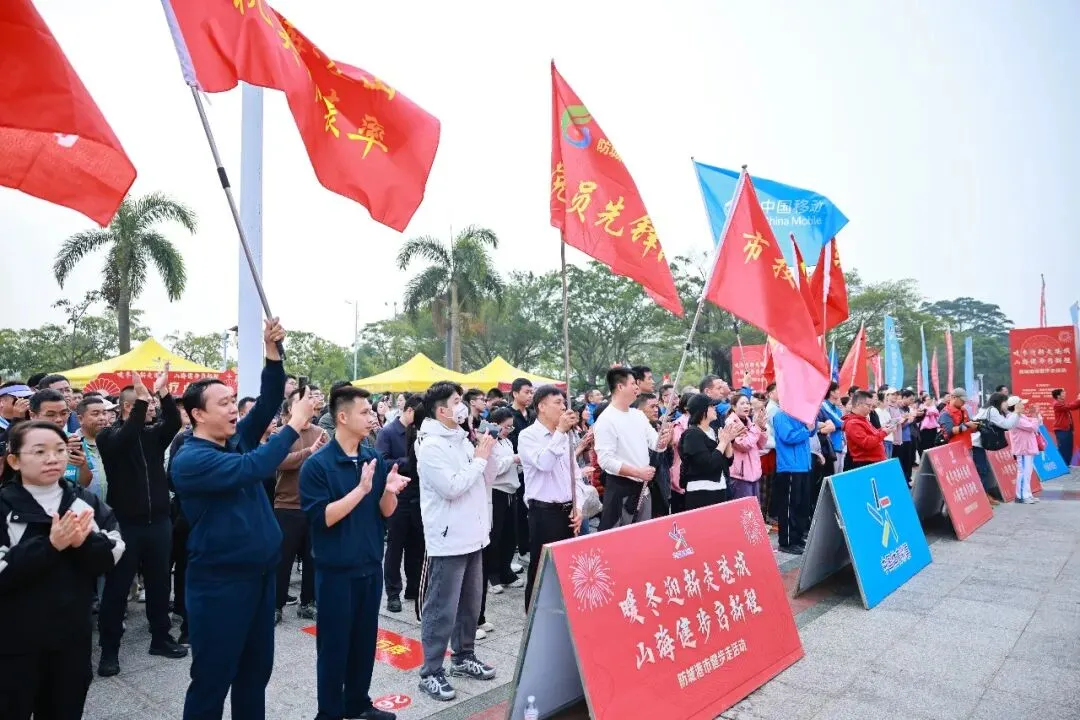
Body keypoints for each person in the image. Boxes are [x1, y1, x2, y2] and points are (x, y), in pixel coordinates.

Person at [171, 319, 316, 720]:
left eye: (233, 400)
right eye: (223, 403)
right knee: (212, 679)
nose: (233, 408)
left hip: (260, 577)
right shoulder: (191, 459)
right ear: (197, 414)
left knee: (255, 675)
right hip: (220, 584)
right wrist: (295, 425)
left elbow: (267, 401)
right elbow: (253, 467)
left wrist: (272, 354)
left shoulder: (237, 439)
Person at [0, 421, 125, 720]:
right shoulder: (5, 507)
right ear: (14, 460)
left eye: (59, 450)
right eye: (39, 451)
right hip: (13, 643)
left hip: (71, 638)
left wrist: (83, 543)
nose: (52, 458)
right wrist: (50, 545)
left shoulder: (84, 501)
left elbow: (114, 551)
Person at [300, 385, 410, 720]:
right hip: (336, 572)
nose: (371, 417)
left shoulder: (372, 458)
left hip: (370, 566)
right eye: (364, 412)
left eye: (371, 411)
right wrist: (361, 489)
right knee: (334, 647)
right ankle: (329, 712)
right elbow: (323, 517)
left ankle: (358, 704)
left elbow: (385, 511)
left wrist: (388, 491)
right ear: (342, 417)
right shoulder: (317, 465)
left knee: (364, 643)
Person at [95, 369, 185, 676]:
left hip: (158, 523)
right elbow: (125, 438)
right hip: (125, 525)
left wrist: (163, 393)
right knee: (117, 590)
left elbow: (173, 422)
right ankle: (109, 650)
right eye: (144, 405)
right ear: (127, 408)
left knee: (160, 584)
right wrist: (142, 403)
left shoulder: (153, 435)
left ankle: (161, 637)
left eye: (151, 405)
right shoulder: (109, 437)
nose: (151, 410)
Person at [415, 381, 497, 702]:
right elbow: (451, 487)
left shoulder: (462, 438)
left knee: (470, 604)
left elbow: (483, 479)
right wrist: (479, 459)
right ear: (442, 411)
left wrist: (486, 453)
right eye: (456, 401)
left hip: (473, 534)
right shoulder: (431, 445)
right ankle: (431, 671)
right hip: (448, 539)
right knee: (441, 608)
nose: (462, 406)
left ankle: (463, 656)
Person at [517, 386, 583, 609]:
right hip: (544, 512)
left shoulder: (565, 436)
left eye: (564, 402)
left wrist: (578, 506)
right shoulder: (528, 436)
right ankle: (534, 619)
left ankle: (563, 615)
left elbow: (575, 475)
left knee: (568, 569)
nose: (564, 407)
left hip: (569, 511)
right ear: (542, 407)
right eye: (558, 402)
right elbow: (544, 463)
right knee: (541, 570)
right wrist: (560, 432)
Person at [273, 391, 328, 624]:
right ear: (289, 410)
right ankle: (275, 606)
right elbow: (279, 461)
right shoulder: (281, 434)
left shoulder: (321, 433)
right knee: (282, 561)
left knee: (313, 559)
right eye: (300, 402)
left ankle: (308, 603)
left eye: (309, 401)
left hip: (314, 506)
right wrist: (309, 452)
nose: (307, 405)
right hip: (287, 505)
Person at [595, 367, 670, 529]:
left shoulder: (638, 415)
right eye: (633, 384)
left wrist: (663, 442)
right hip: (621, 491)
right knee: (620, 537)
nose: (637, 387)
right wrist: (637, 472)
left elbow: (655, 444)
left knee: (644, 535)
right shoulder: (606, 420)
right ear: (620, 386)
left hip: (643, 488)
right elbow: (605, 461)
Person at [377, 394, 425, 613]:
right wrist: (408, 461)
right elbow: (381, 461)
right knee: (395, 546)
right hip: (397, 495)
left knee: (417, 545)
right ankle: (393, 593)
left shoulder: (420, 432)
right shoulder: (388, 432)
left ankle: (414, 588)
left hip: (418, 494)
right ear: (409, 410)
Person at [484, 407, 523, 595]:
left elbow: (511, 466)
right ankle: (492, 575)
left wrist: (519, 463)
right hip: (496, 492)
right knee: (495, 535)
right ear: (495, 424)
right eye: (505, 427)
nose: (508, 431)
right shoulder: (489, 442)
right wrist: (512, 460)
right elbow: (494, 469)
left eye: (510, 427)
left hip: (511, 491)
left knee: (510, 535)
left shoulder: (507, 442)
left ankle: (506, 570)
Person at [679, 394, 739, 509]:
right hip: (701, 491)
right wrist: (723, 443)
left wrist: (728, 441)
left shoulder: (714, 431)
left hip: (720, 487)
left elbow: (728, 461)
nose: (715, 408)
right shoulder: (692, 434)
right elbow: (708, 463)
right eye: (711, 406)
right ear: (702, 411)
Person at [772, 410, 820, 555]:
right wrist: (806, 429)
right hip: (789, 467)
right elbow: (788, 437)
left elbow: (811, 432)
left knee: (802, 505)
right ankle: (786, 542)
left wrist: (813, 420)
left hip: (804, 465)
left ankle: (797, 538)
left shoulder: (800, 413)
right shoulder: (781, 415)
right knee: (789, 506)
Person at [971, 392, 1017, 506]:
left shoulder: (986, 409)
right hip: (977, 444)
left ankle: (985, 495)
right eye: (1005, 402)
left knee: (984, 470)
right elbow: (1006, 425)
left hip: (978, 443)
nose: (1007, 404)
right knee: (983, 470)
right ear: (1000, 401)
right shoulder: (992, 410)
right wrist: (1016, 413)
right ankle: (983, 498)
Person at [726, 394, 769, 501]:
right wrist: (757, 427)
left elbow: (761, 444)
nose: (746, 406)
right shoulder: (731, 423)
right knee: (743, 509)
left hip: (754, 474)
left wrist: (762, 428)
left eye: (748, 403)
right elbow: (744, 445)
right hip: (740, 476)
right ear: (734, 407)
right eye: (742, 403)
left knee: (754, 508)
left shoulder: (749, 422)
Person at [1006, 396, 1042, 504]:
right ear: (1015, 406)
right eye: (1021, 404)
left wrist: (1036, 415)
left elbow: (1038, 424)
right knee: (1023, 473)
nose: (1023, 406)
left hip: (1027, 449)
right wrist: (1034, 416)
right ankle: (1021, 496)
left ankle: (1027, 494)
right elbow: (1033, 427)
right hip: (1023, 450)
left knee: (1027, 473)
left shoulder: (1021, 416)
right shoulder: (1014, 418)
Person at [842, 391, 890, 469]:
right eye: (868, 405)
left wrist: (882, 429)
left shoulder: (863, 419)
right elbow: (867, 443)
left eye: (871, 405)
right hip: (865, 464)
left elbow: (873, 434)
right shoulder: (853, 423)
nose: (871, 409)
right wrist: (884, 432)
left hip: (872, 462)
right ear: (858, 405)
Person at [1051, 388, 1080, 465]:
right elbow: (1070, 406)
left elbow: (1073, 407)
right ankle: (1062, 465)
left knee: (1069, 447)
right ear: (1058, 396)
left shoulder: (1062, 403)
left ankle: (1067, 464)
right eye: (1063, 393)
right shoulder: (1057, 404)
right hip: (1061, 429)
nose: (1065, 394)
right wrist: (1078, 400)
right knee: (1064, 448)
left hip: (1067, 429)